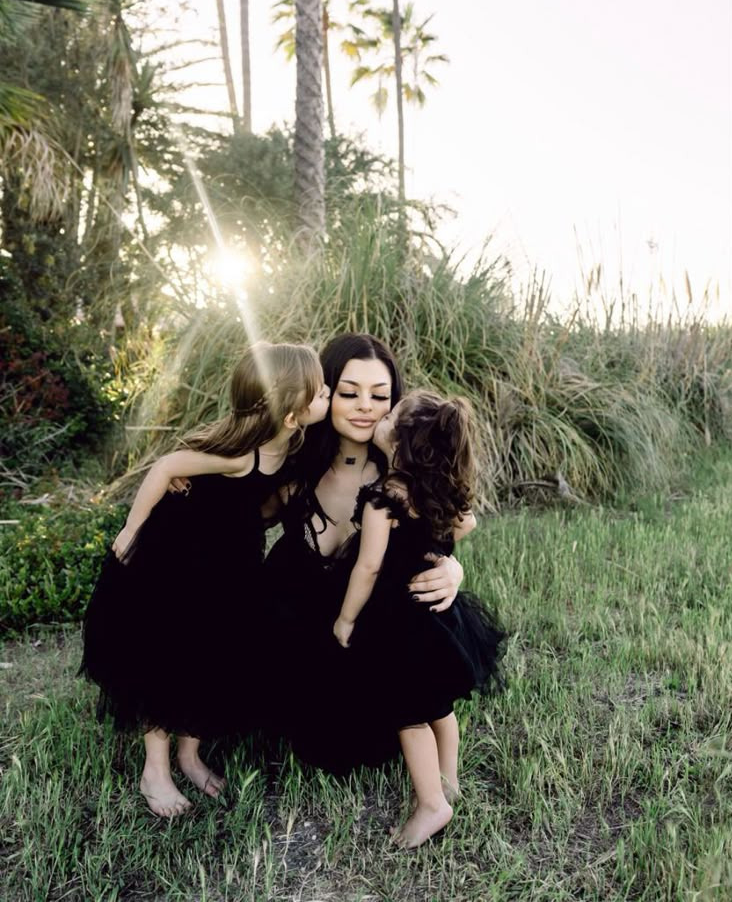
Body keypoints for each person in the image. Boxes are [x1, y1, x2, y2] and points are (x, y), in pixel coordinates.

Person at [80, 342, 330, 818]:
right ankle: (155, 767)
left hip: (229, 567)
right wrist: (132, 529)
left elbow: (258, 507)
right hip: (176, 563)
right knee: (168, 658)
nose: (330, 395)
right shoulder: (240, 455)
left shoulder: (291, 448)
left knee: (213, 658)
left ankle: (189, 755)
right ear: (293, 413)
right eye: (321, 392)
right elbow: (168, 466)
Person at [260, 334, 467, 773]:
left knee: (365, 746)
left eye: (380, 395)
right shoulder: (292, 462)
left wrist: (454, 568)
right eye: (349, 392)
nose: (364, 407)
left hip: (371, 637)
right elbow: (239, 515)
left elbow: (453, 522)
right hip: (299, 629)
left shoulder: (405, 475)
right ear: (322, 392)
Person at [332, 389, 505, 848]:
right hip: (439, 619)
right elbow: (466, 524)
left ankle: (432, 803)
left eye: (390, 415)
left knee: (409, 717)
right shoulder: (440, 491)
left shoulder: (384, 498)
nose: (381, 417)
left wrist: (347, 619)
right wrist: (441, 551)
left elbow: (366, 568)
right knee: (440, 708)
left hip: (398, 623)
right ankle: (449, 782)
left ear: (403, 440)